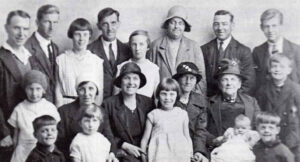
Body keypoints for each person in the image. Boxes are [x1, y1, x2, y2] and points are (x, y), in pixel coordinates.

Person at [56, 73, 117, 162]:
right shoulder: (64, 111)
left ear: (96, 91)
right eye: (82, 89)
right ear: (77, 91)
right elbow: (60, 143)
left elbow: (108, 136)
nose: (86, 93)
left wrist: (111, 153)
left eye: (91, 89)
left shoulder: (101, 111)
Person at [148, 5, 206, 96]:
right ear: (167, 24)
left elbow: (201, 77)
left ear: (184, 26)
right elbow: (150, 75)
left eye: (180, 23)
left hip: (187, 96)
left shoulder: (193, 46)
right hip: (164, 97)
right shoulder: (155, 45)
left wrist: (199, 100)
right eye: (173, 22)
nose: (176, 26)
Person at [102, 62, 154, 162]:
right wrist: (123, 144)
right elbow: (105, 132)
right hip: (121, 154)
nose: (131, 82)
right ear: (120, 82)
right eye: (126, 78)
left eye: (135, 78)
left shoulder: (148, 103)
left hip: (145, 154)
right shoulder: (108, 104)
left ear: (139, 82)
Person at [206, 58, 260, 150]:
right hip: (219, 149)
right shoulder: (209, 103)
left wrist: (251, 141)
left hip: (246, 149)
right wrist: (215, 140)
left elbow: (259, 125)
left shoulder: (251, 102)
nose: (229, 83)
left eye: (233, 79)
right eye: (225, 79)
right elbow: (201, 130)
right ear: (219, 84)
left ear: (239, 84)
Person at [8, 70, 60, 162]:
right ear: (25, 89)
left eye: (38, 89)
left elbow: (55, 130)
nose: (34, 93)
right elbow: (15, 136)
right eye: (30, 89)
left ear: (44, 90)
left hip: (44, 151)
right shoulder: (19, 109)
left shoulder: (50, 107)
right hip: (23, 151)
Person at [255, 54, 300, 161]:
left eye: (282, 67)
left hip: (292, 140)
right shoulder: (262, 91)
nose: (277, 69)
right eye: (274, 66)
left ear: (289, 70)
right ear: (269, 69)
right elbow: (258, 117)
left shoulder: (296, 91)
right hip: (269, 140)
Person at [201, 10, 255, 97]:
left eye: (224, 24)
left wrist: (231, 100)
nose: (220, 28)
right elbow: (200, 80)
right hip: (209, 101)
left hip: (234, 103)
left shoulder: (244, 51)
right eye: (216, 24)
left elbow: (248, 83)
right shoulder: (203, 50)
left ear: (232, 25)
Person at [141, 78, 193, 162]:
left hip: (180, 154)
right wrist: (143, 155)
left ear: (177, 96)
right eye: (164, 94)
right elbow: (145, 139)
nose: (167, 98)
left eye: (172, 94)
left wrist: (190, 153)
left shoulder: (182, 114)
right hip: (159, 154)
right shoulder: (153, 114)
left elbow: (187, 136)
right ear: (158, 95)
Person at [55, 18, 104, 107]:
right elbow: (58, 90)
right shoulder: (61, 60)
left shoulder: (96, 61)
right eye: (77, 34)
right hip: (66, 107)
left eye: (85, 34)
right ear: (71, 36)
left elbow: (99, 92)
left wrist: (93, 111)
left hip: (89, 106)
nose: (81, 39)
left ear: (89, 36)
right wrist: (60, 111)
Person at [88, 7, 131, 99]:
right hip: (98, 101)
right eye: (105, 24)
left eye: (113, 23)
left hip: (121, 101)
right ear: (99, 26)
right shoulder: (89, 50)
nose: (110, 28)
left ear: (118, 24)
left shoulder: (128, 50)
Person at [253, 8, 300, 92]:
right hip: (265, 100)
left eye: (274, 26)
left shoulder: (296, 50)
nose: (270, 30)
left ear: (281, 26)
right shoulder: (257, 52)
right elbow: (255, 82)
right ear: (261, 28)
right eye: (267, 26)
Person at [172, 62, 209, 161]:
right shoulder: (170, 100)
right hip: (174, 146)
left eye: (192, 78)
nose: (188, 81)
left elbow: (201, 130)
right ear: (178, 79)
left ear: (196, 81)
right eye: (185, 77)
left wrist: (198, 151)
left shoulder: (201, 101)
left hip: (196, 144)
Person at [25, 4, 60, 103]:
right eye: (47, 22)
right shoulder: (26, 49)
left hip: (54, 106)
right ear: (37, 22)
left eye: (55, 22)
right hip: (35, 106)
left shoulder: (56, 48)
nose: (52, 27)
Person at [114, 30, 160, 98]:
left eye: (141, 44)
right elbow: (115, 95)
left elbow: (157, 97)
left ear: (148, 47)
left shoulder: (154, 69)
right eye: (134, 44)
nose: (137, 48)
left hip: (147, 106)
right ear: (130, 46)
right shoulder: (122, 67)